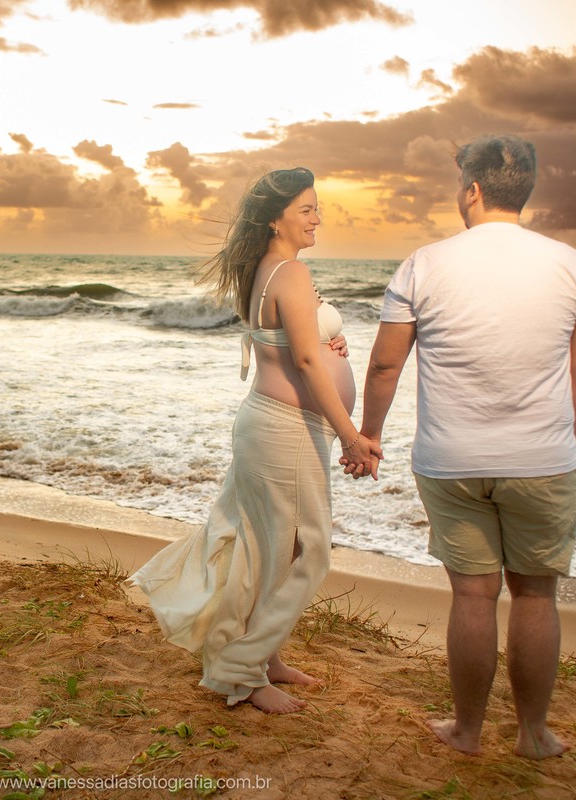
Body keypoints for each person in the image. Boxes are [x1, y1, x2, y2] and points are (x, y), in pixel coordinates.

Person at [356, 134, 576, 758]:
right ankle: (533, 734)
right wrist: (563, 439)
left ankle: (467, 731)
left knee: (472, 595)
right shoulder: (572, 265)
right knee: (535, 596)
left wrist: (370, 434)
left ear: (471, 190)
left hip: (451, 461)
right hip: (543, 460)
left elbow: (385, 365)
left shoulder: (424, 264)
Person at [127, 167, 380, 714]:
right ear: (275, 219)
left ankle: (265, 656)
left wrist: (331, 340)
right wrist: (351, 436)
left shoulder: (267, 269)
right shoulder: (288, 271)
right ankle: (240, 669)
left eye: (317, 207)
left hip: (275, 425)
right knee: (305, 549)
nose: (318, 218)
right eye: (306, 209)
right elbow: (305, 360)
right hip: (285, 430)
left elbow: (292, 345)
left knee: (276, 547)